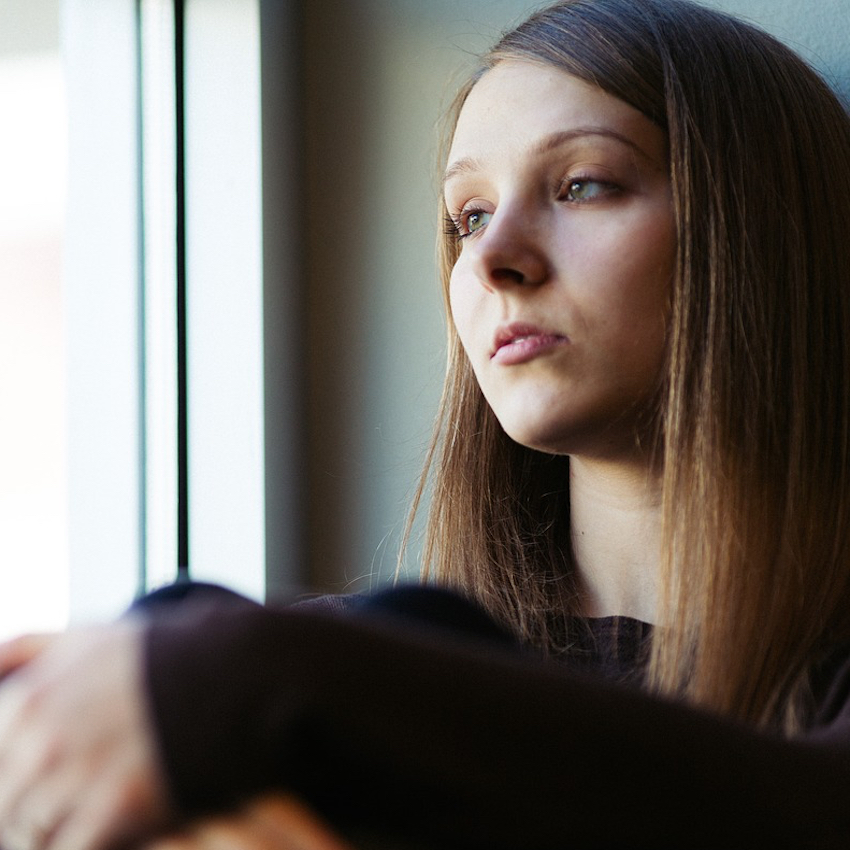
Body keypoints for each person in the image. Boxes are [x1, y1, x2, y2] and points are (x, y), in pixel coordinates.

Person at [1, 0, 850, 847]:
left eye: (583, 184)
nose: (489, 257)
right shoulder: (360, 676)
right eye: (469, 215)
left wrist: (244, 676)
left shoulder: (305, 683)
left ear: (754, 229)